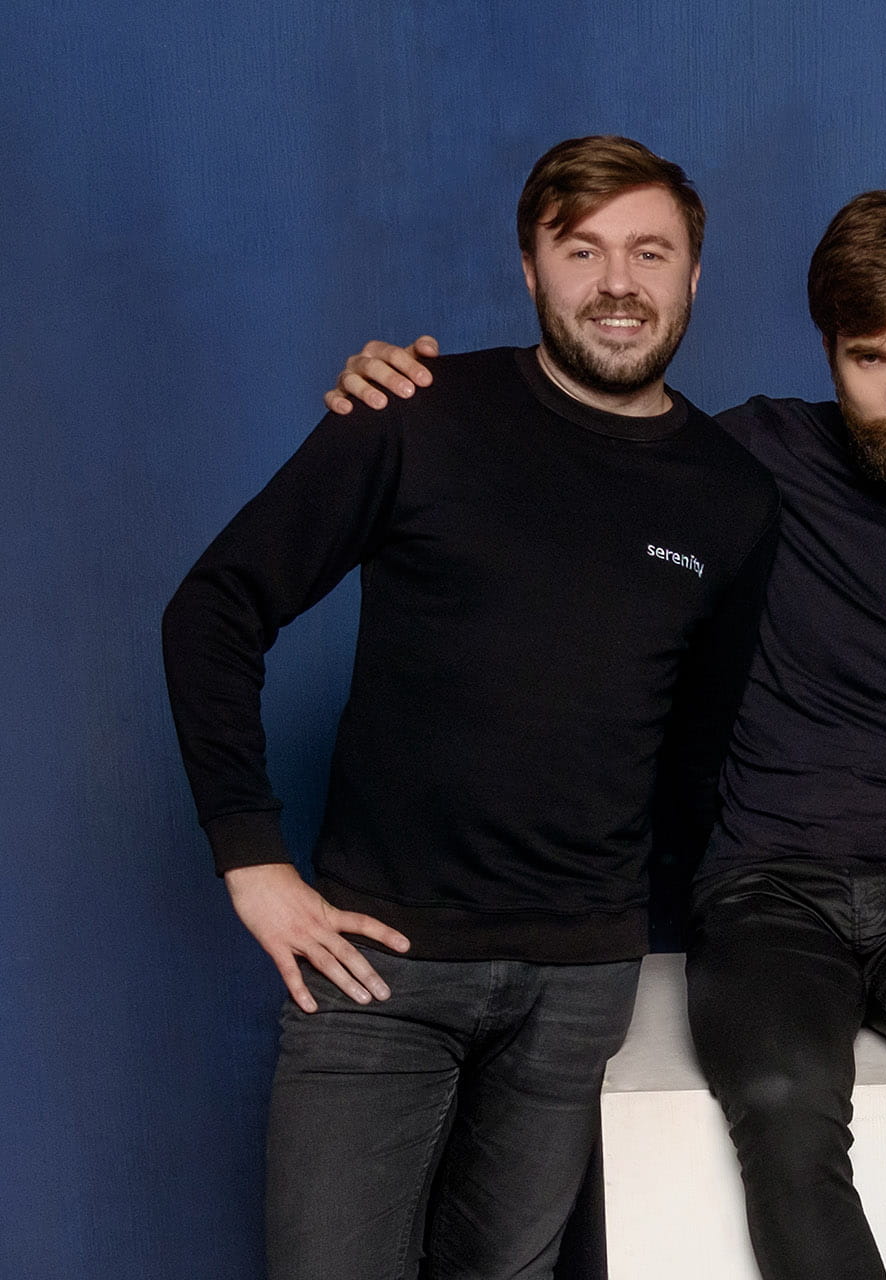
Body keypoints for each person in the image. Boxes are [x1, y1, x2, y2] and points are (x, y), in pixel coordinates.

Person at [323, 192, 886, 1280]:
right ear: (829, 352)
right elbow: (576, 452)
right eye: (870, 359)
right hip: (767, 882)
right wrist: (411, 401)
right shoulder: (752, 451)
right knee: (781, 1093)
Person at [162, 135, 778, 1279]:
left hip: (579, 986)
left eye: (650, 252)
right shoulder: (416, 412)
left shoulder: (732, 496)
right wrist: (251, 857)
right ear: (528, 267)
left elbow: (700, 748)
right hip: (379, 965)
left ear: (696, 274)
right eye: (582, 250)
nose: (619, 283)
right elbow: (214, 608)